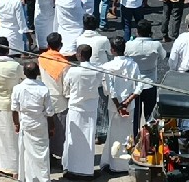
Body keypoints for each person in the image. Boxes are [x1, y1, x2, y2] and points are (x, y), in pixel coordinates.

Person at [100, 37, 142, 173]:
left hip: (114, 107)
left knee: (113, 134)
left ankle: (114, 164)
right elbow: (139, 85)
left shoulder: (107, 66)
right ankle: (125, 163)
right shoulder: (133, 65)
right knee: (127, 134)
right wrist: (127, 102)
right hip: (129, 105)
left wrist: (118, 105)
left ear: (112, 50)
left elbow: (109, 89)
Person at [62, 44, 103, 178]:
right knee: (88, 137)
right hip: (90, 108)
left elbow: (65, 89)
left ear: (79, 55)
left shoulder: (73, 71)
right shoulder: (97, 70)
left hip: (75, 108)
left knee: (73, 138)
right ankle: (86, 170)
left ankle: (71, 168)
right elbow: (101, 86)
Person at [0, 38, 23, 176]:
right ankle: (14, 168)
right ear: (7, 50)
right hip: (10, 104)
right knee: (12, 137)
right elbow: (21, 79)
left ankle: (0, 166)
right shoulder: (14, 66)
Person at [11, 62, 55, 182]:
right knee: (42, 154)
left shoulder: (17, 88)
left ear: (24, 73)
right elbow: (49, 112)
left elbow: (14, 110)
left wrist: (16, 124)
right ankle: (43, 178)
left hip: (26, 124)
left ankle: (29, 178)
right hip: (40, 124)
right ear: (38, 73)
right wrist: (52, 127)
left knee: (26, 152)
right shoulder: (43, 89)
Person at [125, 19, 166, 136]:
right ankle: (150, 140)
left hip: (135, 85)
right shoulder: (156, 45)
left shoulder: (129, 45)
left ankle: (135, 139)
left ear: (137, 31)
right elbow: (163, 56)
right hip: (150, 84)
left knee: (135, 117)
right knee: (150, 116)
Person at [39, 33, 70, 160]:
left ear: (47, 45)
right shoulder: (64, 64)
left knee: (47, 129)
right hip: (60, 100)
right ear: (60, 45)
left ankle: (49, 156)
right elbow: (66, 86)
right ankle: (60, 156)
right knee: (60, 131)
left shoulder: (41, 58)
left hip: (45, 98)